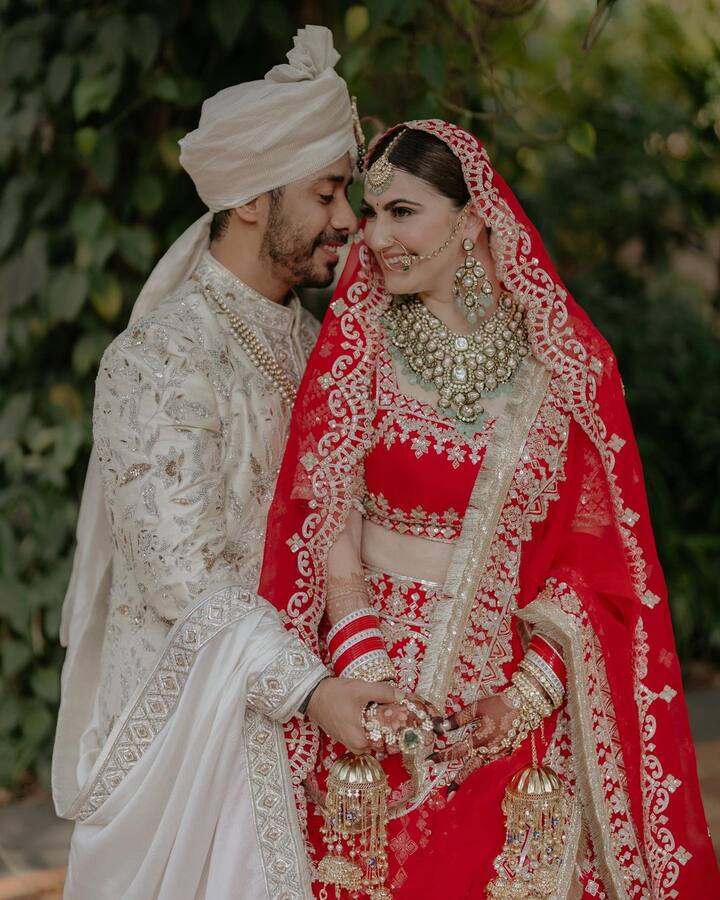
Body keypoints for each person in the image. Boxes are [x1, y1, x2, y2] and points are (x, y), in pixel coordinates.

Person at [259, 120, 720, 898]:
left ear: (472, 216)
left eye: (402, 212)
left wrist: (524, 697)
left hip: (510, 712)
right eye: (370, 214)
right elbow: (325, 519)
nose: (375, 237)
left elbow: (597, 560)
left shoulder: (562, 361)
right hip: (372, 690)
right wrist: (368, 666)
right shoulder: (357, 343)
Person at [52, 26, 399, 900]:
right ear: (252, 200)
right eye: (326, 193)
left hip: (311, 732)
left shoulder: (320, 345)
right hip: (187, 753)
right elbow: (186, 580)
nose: (349, 219)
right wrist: (313, 689)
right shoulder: (159, 361)